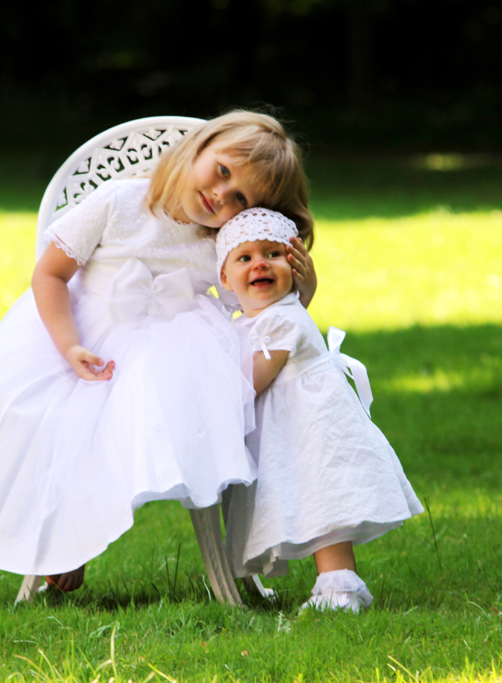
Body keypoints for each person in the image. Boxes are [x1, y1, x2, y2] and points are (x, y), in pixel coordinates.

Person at [0, 111, 318, 597]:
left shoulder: (223, 242)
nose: (222, 195)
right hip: (76, 332)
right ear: (198, 148)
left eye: (240, 198)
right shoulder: (119, 201)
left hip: (168, 354)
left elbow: (263, 310)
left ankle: (70, 544)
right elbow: (49, 274)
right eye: (221, 172)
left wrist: (304, 286)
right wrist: (68, 346)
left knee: (119, 421)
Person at [217, 208, 423, 613]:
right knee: (309, 503)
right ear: (225, 278)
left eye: (273, 254)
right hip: (293, 429)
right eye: (245, 258)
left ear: (294, 267)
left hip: (314, 430)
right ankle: (333, 587)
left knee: (326, 505)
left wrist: (209, 397)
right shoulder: (260, 317)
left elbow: (250, 382)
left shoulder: (283, 320)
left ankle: (340, 589)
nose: (259, 262)